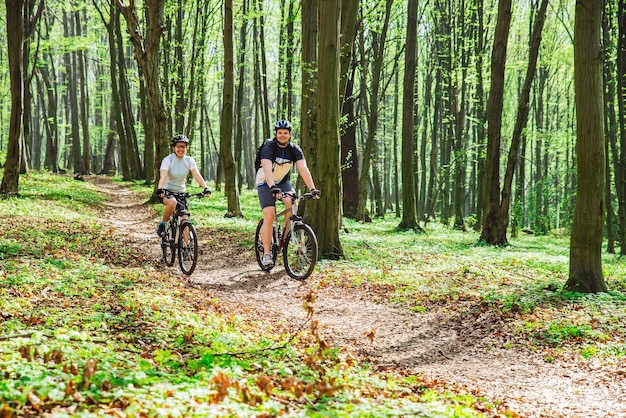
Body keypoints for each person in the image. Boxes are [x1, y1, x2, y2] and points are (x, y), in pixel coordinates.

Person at [256, 119, 320, 268]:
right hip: (265, 182)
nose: (282, 135)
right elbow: (266, 169)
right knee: (270, 215)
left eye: (285, 133)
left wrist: (312, 189)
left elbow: (303, 169)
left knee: (292, 202)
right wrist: (272, 187)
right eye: (280, 133)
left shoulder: (294, 149)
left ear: (290, 135)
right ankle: (266, 254)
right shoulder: (269, 148)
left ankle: (286, 236)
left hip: (283, 182)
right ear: (276, 134)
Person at [156, 134, 211, 236]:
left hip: (181, 192)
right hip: (167, 191)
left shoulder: (189, 160)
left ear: (186, 148)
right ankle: (163, 224)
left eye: (183, 147)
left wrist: (205, 187)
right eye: (178, 147)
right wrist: (160, 189)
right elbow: (163, 176)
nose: (181, 149)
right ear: (173, 148)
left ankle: (185, 248)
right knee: (172, 202)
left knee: (184, 220)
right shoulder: (168, 160)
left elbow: (196, 175)